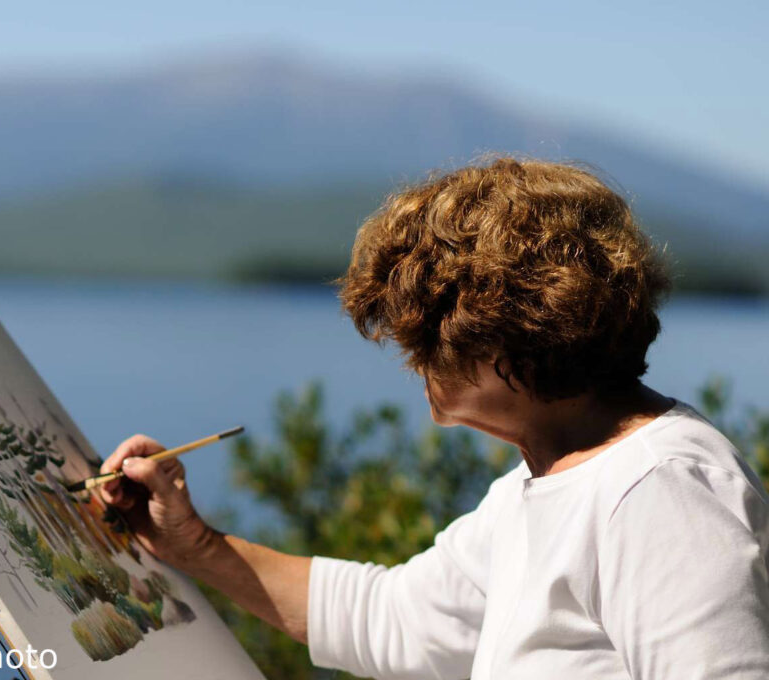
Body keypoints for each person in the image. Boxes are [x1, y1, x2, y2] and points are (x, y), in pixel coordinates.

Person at [98, 158, 769, 679]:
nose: (410, 359)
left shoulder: (660, 493)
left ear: (516, 334)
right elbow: (390, 619)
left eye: (426, 336)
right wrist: (193, 544)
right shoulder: (541, 483)